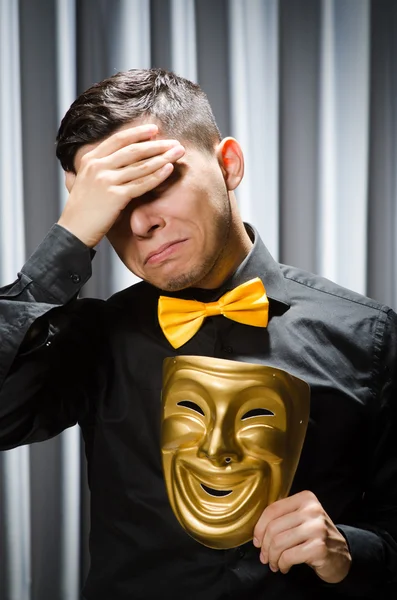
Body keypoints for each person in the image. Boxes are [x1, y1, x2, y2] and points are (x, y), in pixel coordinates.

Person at [0, 68, 396, 600]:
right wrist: (67, 242)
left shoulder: (368, 334)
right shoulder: (94, 338)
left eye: (156, 181)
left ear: (228, 165)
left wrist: (347, 551)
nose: (139, 225)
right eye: (114, 204)